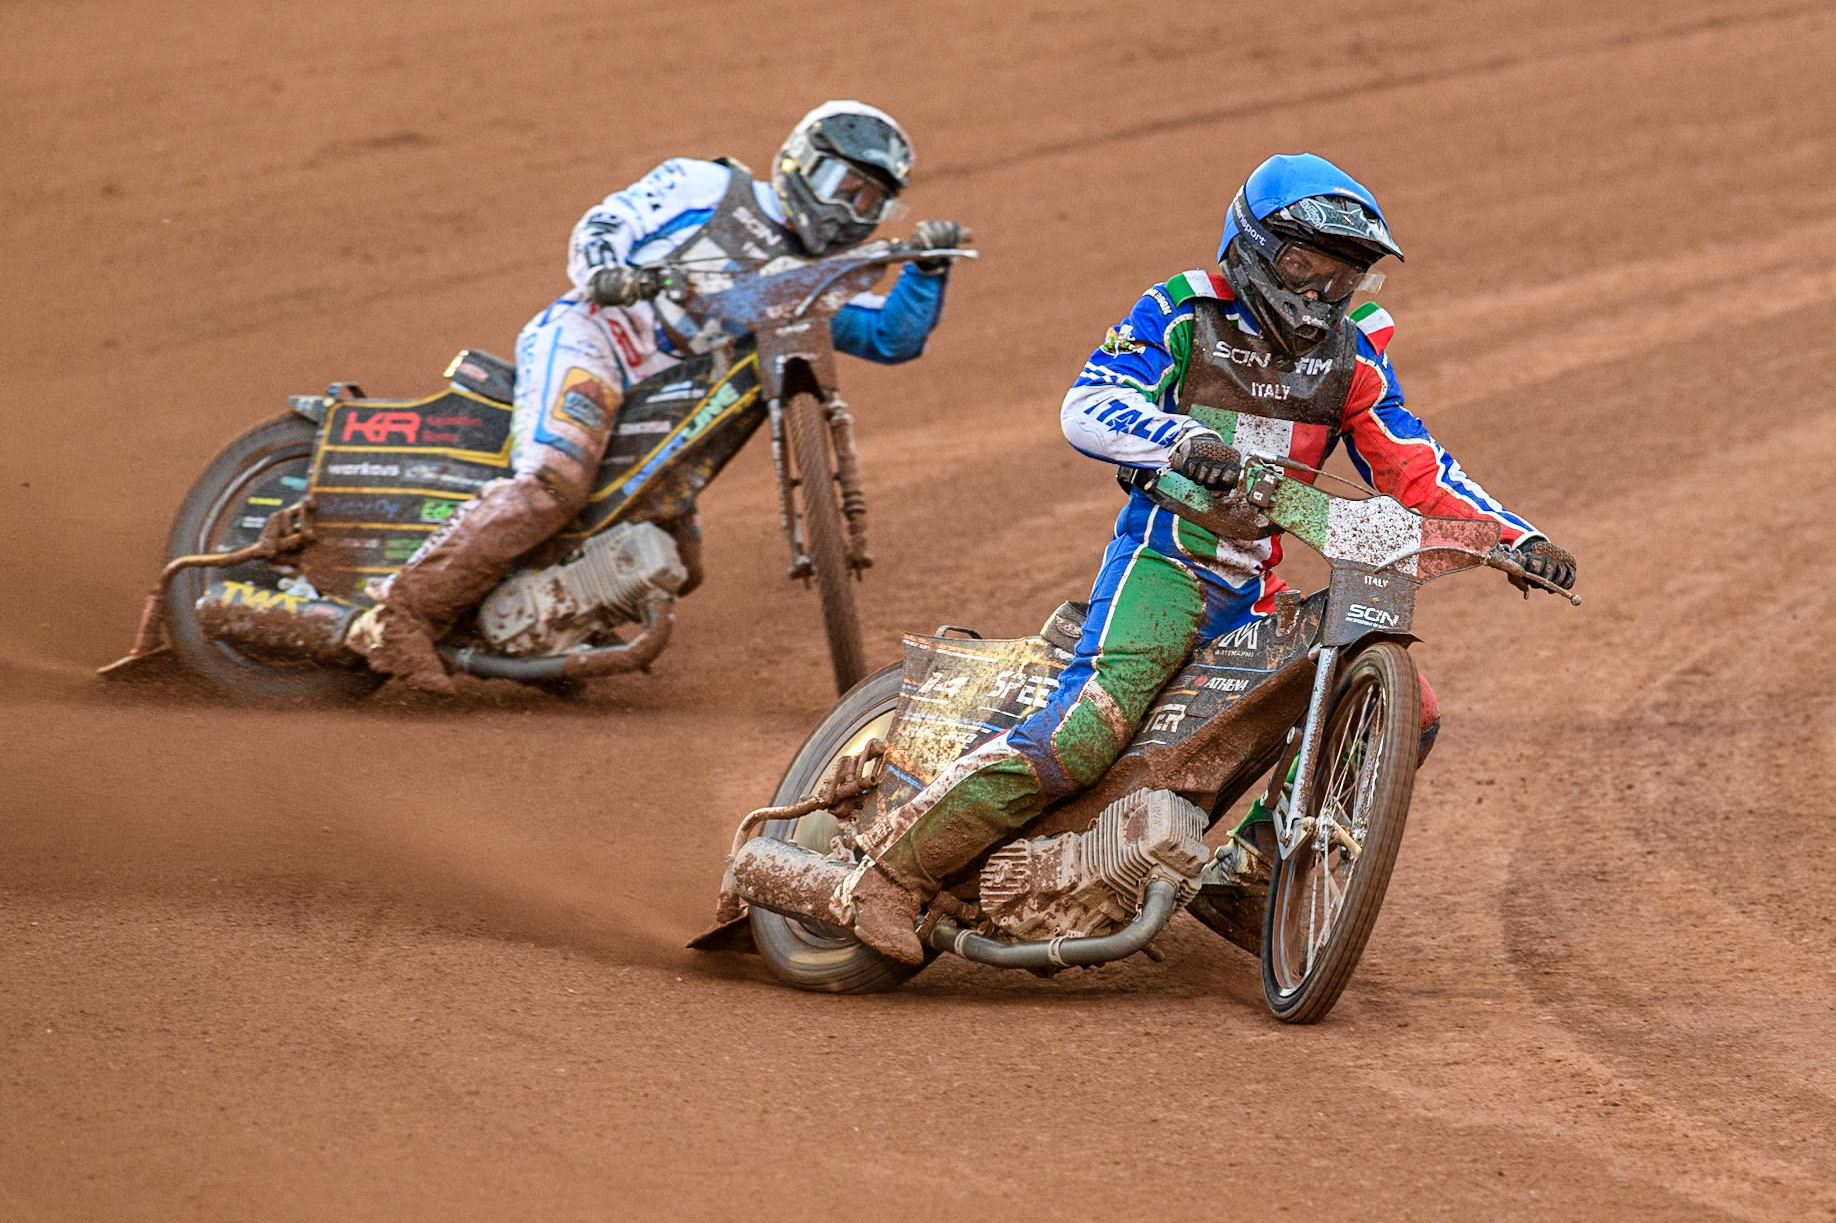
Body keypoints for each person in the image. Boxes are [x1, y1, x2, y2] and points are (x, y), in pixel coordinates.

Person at [841, 152, 1577, 963]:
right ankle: (886, 875)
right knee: (1082, 734)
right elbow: (1088, 403)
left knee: (1413, 712)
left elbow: (1416, 466)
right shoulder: (1183, 311)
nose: (1317, 295)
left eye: (1342, 280)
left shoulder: (1353, 359)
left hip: (1253, 588)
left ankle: (1253, 873)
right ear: (1253, 246)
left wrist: (1517, 539)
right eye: (1303, 266)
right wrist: (1179, 440)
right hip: (1163, 564)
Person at [345, 100, 970, 693]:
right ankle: (399, 615)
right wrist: (604, 270)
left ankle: (534, 639)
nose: (848, 210)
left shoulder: (807, 284)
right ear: (802, 162)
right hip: (594, 338)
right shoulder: (705, 186)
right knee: (552, 483)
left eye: (869, 200)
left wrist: (928, 269)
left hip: (666, 407)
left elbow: (890, 336)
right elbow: (608, 221)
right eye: (841, 183)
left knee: (678, 563)